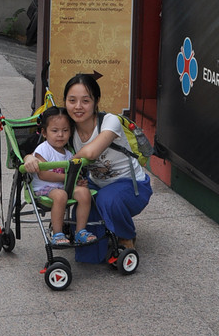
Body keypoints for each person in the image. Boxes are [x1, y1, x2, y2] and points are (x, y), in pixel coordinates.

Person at [53, 73, 151, 250]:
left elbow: (91, 152)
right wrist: (30, 158)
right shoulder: (68, 129)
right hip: (97, 184)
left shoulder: (109, 121)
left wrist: (72, 161)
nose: (78, 106)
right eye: (72, 100)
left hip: (132, 185)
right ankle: (97, 244)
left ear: (96, 101)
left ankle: (126, 236)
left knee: (107, 199)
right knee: (85, 237)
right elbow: (46, 148)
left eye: (85, 101)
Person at [29, 107, 96, 246]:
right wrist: (67, 178)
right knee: (61, 195)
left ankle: (80, 231)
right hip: (45, 187)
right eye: (55, 131)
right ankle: (57, 234)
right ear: (44, 133)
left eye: (65, 130)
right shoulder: (43, 149)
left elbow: (72, 175)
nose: (60, 135)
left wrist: (77, 181)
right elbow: (43, 174)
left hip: (63, 186)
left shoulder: (69, 154)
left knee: (84, 193)